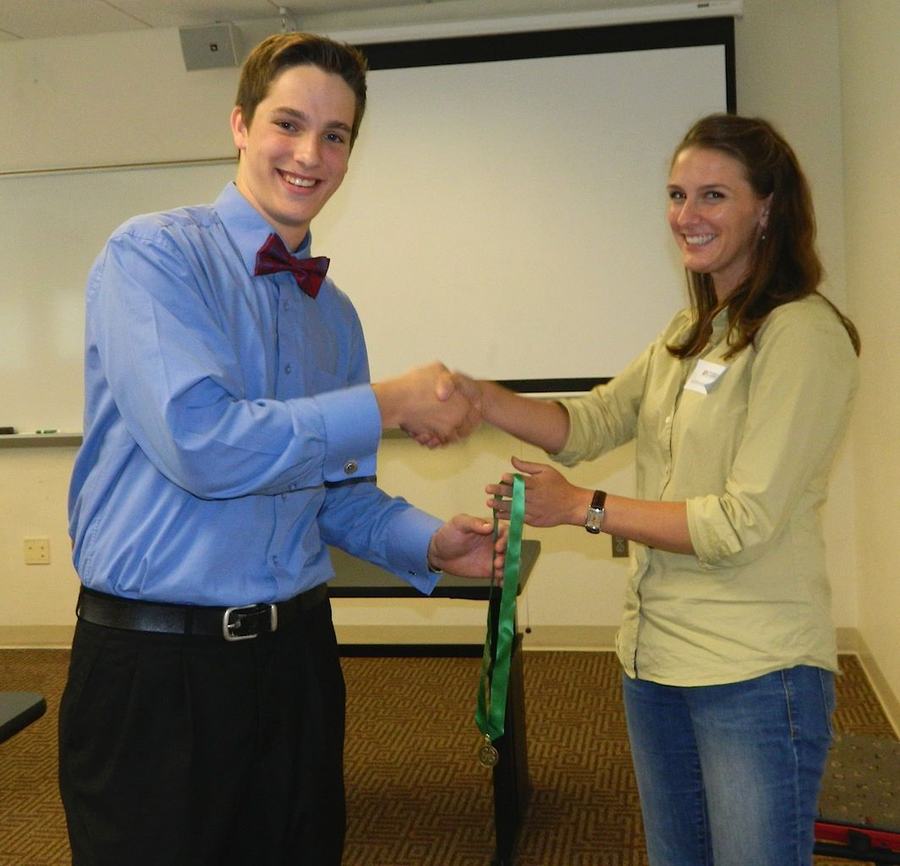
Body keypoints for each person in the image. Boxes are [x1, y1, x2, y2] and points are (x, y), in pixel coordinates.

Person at [60, 32, 502, 866]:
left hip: (297, 663)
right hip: (157, 669)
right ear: (239, 124)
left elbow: (338, 494)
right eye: (288, 124)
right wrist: (388, 402)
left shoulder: (335, 314)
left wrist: (433, 544)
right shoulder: (152, 256)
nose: (309, 154)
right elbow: (205, 447)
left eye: (335, 136)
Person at [455, 113, 861, 866]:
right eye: (677, 195)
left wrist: (582, 507)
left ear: (767, 208)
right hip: (655, 662)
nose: (687, 216)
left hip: (753, 671)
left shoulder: (801, 334)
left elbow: (741, 521)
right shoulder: (694, 331)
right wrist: (478, 398)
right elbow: (594, 419)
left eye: (713, 195)